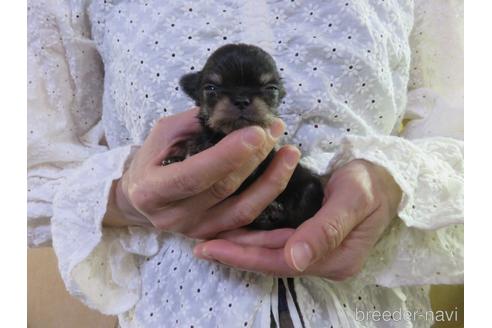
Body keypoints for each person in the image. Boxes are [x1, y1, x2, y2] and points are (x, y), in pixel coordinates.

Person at [27, 0, 463, 327]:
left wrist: (394, 181)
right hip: (181, 309)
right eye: (217, 92)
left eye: (263, 93)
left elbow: (464, 127)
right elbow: (27, 173)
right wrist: (124, 195)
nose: (241, 104)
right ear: (197, 94)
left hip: (368, 309)